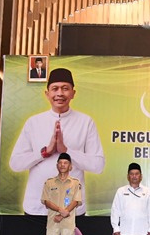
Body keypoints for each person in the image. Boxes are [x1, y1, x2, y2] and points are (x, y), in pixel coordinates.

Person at [10, 68, 105, 217]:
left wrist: (66, 151)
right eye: (55, 89)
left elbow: (98, 165)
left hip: (72, 209)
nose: (60, 93)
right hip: (36, 207)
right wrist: (45, 152)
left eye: (65, 88)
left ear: (73, 93)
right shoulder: (33, 122)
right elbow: (15, 163)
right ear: (47, 94)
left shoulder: (86, 122)